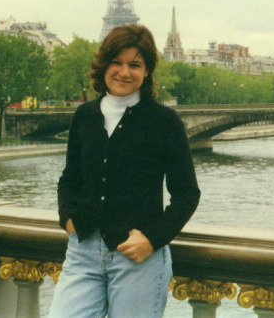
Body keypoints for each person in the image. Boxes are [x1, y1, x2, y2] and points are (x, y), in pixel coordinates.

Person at [49, 24, 200, 318]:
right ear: (103, 65)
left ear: (147, 72)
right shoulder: (85, 116)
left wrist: (152, 240)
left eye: (135, 65)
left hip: (138, 258)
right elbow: (70, 179)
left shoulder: (165, 121)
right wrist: (67, 218)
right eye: (116, 62)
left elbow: (187, 194)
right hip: (83, 252)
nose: (124, 72)